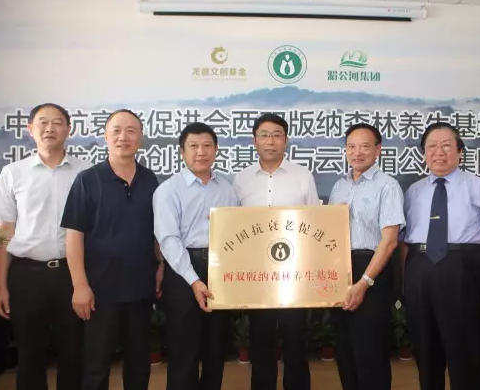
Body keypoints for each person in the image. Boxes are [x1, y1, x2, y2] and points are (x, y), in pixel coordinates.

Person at [401, 122, 480, 390]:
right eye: (431, 146)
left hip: (465, 270)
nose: (438, 152)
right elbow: (404, 241)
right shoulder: (413, 191)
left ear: (460, 152)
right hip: (420, 270)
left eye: (446, 146)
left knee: (467, 354)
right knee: (426, 353)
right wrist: (404, 283)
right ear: (423, 153)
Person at [0, 103, 91, 390]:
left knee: (73, 353)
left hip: (72, 274)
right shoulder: (14, 173)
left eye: (57, 122)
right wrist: (1, 286)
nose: (49, 128)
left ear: (68, 129)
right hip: (26, 275)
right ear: (30, 129)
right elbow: (4, 231)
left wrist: (84, 283)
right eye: (42, 123)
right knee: (29, 355)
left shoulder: (86, 173)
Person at [60, 109, 163, 390]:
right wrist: (80, 285)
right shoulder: (87, 179)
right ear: (106, 136)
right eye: (116, 130)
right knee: (96, 366)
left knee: (139, 364)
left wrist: (160, 266)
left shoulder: (150, 180)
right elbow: (74, 235)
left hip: (140, 290)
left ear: (140, 137)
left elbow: (157, 231)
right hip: (99, 291)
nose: (123, 137)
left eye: (131, 131)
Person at [233, 113, 320, 390]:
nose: (270, 141)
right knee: (261, 341)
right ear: (254, 141)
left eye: (276, 135)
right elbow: (234, 227)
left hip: (295, 274)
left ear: (286, 140)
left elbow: (315, 222)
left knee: (296, 340)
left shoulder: (302, 176)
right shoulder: (241, 179)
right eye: (264, 135)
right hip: (256, 275)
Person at [153, 122, 238, 390]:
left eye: (207, 146)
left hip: (219, 267)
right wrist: (193, 280)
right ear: (182, 151)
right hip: (182, 271)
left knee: (216, 346)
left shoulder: (227, 189)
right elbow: (169, 240)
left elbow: (236, 232)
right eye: (193, 146)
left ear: (216, 149)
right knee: (183, 349)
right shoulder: (168, 190)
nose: (201, 152)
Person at [328, 123, 404, 390]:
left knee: (370, 351)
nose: (357, 152)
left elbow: (390, 240)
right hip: (340, 270)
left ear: (378, 149)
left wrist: (364, 282)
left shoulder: (387, 186)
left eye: (364, 146)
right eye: (351, 146)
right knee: (345, 348)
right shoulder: (339, 186)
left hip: (372, 270)